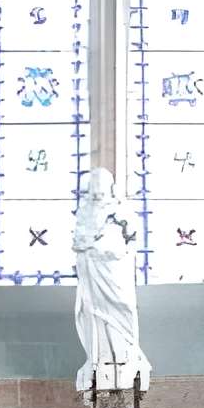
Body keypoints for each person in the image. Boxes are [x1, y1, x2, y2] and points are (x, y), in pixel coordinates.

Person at [72, 167, 152, 392]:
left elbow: (131, 240)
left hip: (115, 271)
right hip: (92, 271)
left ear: (110, 187)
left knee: (124, 307)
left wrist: (111, 248)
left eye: (101, 187)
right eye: (94, 187)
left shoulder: (121, 210)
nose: (97, 192)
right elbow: (78, 241)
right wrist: (89, 246)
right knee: (93, 312)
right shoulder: (85, 211)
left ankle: (128, 355)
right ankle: (97, 360)